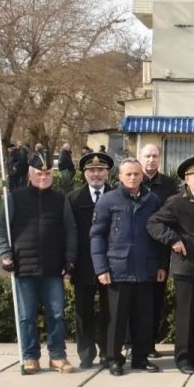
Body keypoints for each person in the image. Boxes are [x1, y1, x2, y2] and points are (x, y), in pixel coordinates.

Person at [0, 152, 77, 375]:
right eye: (39, 173)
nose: (43, 177)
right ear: (30, 174)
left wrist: (70, 259)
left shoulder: (61, 200)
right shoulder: (15, 198)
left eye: (48, 173)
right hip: (23, 268)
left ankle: (57, 356)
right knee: (26, 315)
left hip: (52, 268)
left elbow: (71, 231)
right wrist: (5, 255)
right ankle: (30, 357)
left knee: (57, 315)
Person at [146, 156, 194, 374]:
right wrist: (173, 240)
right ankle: (183, 358)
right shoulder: (177, 201)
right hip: (186, 268)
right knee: (186, 316)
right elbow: (153, 222)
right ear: (186, 179)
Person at [91, 157, 165, 376]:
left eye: (136, 174)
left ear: (142, 175)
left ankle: (141, 358)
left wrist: (161, 264)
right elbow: (96, 236)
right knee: (116, 318)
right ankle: (114, 358)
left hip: (145, 269)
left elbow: (158, 235)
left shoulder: (153, 200)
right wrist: (101, 268)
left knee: (143, 317)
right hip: (117, 270)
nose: (133, 178)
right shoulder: (108, 201)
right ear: (120, 177)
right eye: (128, 174)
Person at [67, 151, 114, 369]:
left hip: (111, 264)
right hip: (84, 265)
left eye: (100, 170)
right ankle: (86, 353)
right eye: (91, 170)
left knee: (109, 311)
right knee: (83, 311)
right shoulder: (73, 199)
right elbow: (68, 232)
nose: (96, 174)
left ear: (107, 172)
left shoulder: (116, 195)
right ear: (84, 173)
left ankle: (107, 351)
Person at [140, 144, 179, 358]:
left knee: (155, 302)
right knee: (132, 301)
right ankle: (130, 343)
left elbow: (171, 222)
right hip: (135, 251)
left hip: (158, 251)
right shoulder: (131, 180)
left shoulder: (169, 185)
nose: (151, 160)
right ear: (140, 157)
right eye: (147, 156)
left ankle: (149, 345)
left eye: (155, 156)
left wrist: (164, 263)